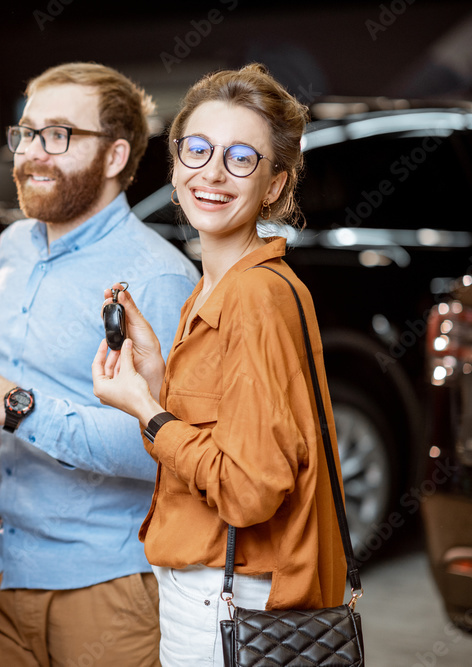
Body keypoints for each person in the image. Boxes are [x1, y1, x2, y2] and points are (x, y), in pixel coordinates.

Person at [0, 62, 199, 665]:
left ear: (116, 155)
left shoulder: (159, 278)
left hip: (106, 590)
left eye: (59, 135)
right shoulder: (18, 241)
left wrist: (16, 406)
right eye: (26, 132)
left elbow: (160, 448)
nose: (32, 154)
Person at [91, 64, 348, 666]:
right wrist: (157, 376)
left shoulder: (254, 296)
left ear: (276, 185)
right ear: (176, 161)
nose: (211, 171)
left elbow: (251, 492)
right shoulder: (212, 289)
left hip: (232, 602)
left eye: (240, 158)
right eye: (198, 149)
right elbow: (224, 433)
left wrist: (148, 414)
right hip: (211, 591)